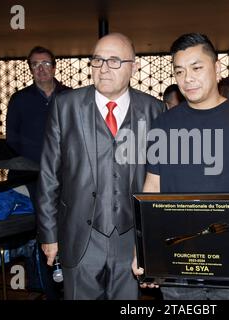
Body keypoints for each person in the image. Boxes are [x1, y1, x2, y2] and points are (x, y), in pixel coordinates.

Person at [132, 33, 229, 300]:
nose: (187, 78)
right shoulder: (163, 126)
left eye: (196, 67)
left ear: (216, 67)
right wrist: (144, 253)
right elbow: (152, 190)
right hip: (177, 265)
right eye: (179, 71)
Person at [37, 33, 165, 300]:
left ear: (134, 66)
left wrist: (152, 241)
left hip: (131, 238)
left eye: (115, 61)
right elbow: (49, 174)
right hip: (80, 234)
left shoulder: (154, 110)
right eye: (97, 60)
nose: (104, 68)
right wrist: (49, 234)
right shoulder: (65, 106)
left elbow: (163, 180)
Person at [5, 46, 71, 299]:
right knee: (40, 233)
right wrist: (43, 158)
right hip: (32, 176)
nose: (40, 69)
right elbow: (13, 139)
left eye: (45, 63)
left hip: (66, 176)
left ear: (55, 66)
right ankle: (45, 288)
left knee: (66, 230)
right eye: (35, 64)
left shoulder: (69, 96)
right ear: (30, 68)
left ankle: (71, 286)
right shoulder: (20, 99)